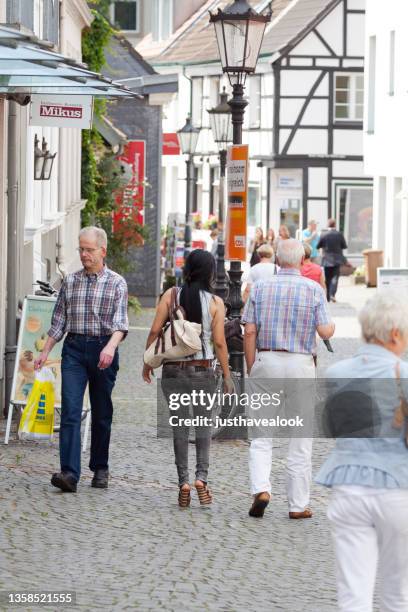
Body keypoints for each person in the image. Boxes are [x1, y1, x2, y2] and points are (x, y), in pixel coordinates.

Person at [316, 291, 408, 611]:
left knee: (353, 594)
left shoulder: (336, 373)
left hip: (348, 487)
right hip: (397, 489)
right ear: (395, 333)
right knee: (397, 594)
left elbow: (332, 428)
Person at [242, 239, 334, 518]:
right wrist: (332, 326)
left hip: (267, 361)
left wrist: (252, 366)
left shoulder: (260, 287)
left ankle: (261, 489)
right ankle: (297, 505)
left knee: (261, 434)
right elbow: (325, 331)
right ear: (302, 261)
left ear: (277, 261)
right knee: (300, 437)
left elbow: (249, 331)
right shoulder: (313, 289)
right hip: (300, 365)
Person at [34, 227, 129, 493]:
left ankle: (100, 467)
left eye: (89, 250)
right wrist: (45, 351)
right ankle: (69, 474)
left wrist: (110, 347)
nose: (84, 255)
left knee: (101, 413)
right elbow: (59, 322)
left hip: (103, 349)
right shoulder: (71, 282)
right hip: (74, 349)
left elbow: (120, 324)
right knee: (71, 411)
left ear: (103, 251)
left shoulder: (116, 283)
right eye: (81, 249)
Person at [143, 249, 234, 508]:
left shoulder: (171, 295)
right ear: (211, 273)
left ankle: (182, 481)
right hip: (203, 370)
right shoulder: (216, 303)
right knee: (204, 426)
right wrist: (227, 375)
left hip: (173, 370)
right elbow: (219, 342)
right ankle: (201, 478)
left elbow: (153, 331)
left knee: (179, 427)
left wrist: (147, 363)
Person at [317, 219, 347, 303]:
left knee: (327, 278)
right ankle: (332, 294)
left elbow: (318, 246)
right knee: (335, 278)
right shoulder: (339, 234)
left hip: (326, 259)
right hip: (337, 259)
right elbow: (344, 246)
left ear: (327, 225)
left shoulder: (324, 234)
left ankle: (327, 297)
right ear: (335, 225)